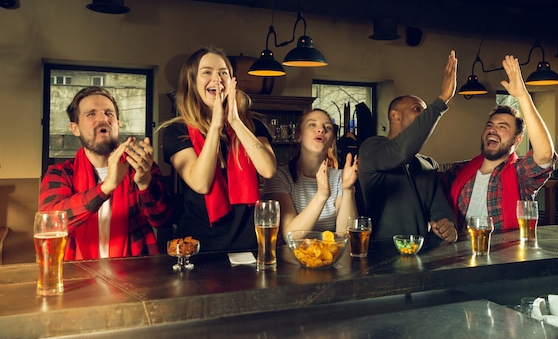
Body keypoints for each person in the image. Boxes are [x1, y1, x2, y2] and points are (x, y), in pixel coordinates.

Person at [161, 46, 276, 252]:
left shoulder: (253, 126)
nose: (217, 79)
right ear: (192, 81)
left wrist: (234, 121)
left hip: (248, 246)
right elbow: (201, 183)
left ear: (232, 82)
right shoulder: (176, 131)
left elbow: (268, 169)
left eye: (223, 73)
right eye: (207, 72)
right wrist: (215, 126)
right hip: (198, 246)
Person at [39, 86, 173, 261]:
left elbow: (163, 220)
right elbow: (50, 224)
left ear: (117, 124)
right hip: (77, 276)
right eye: (91, 114)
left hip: (135, 276)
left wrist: (145, 183)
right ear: (75, 128)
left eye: (109, 114)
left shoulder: (140, 166)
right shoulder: (60, 173)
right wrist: (106, 187)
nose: (103, 119)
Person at [440, 55, 557, 231]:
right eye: (490, 125)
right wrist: (442, 99)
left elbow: (545, 155)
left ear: (517, 140)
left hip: (506, 256)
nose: (493, 130)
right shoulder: (458, 171)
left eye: (502, 127)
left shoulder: (520, 174)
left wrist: (522, 96)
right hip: (461, 255)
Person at [358, 51, 458, 243]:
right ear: (395, 115)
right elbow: (399, 152)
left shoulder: (428, 165)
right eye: (416, 109)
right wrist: (441, 100)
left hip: (420, 256)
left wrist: (447, 225)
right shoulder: (372, 148)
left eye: (424, 110)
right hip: (379, 256)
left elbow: (439, 208)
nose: (424, 114)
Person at [262, 109, 359, 239]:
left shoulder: (339, 177)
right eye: (312, 125)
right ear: (298, 136)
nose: (321, 130)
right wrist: (321, 196)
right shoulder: (280, 176)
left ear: (331, 141)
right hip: (292, 256)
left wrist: (347, 190)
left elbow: (345, 236)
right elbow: (290, 236)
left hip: (329, 254)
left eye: (328, 127)